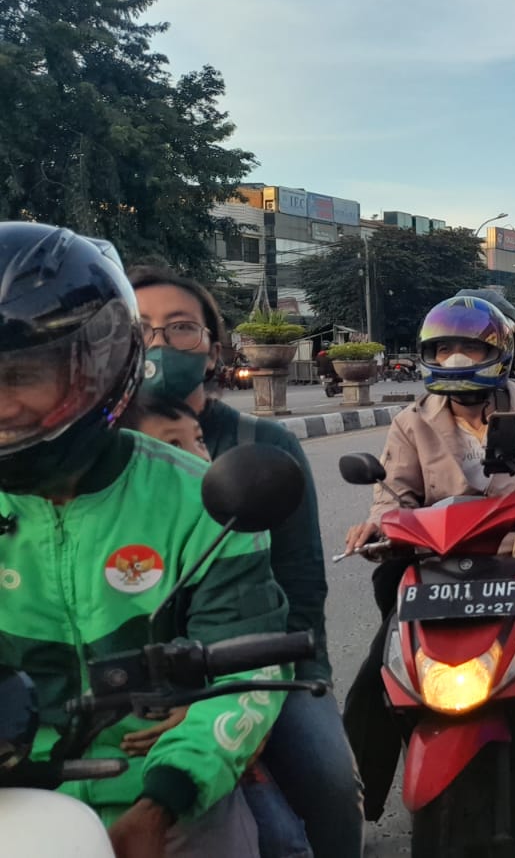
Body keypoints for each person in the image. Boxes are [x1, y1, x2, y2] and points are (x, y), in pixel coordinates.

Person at [0, 222, 290, 857]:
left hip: (170, 794)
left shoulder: (204, 498)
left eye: (19, 375)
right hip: (15, 801)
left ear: (95, 367)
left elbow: (250, 658)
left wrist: (167, 796)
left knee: (311, 798)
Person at [126, 265, 363, 858]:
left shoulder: (263, 447)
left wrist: (305, 675)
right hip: (131, 678)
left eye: (180, 328)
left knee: (331, 785)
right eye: (140, 328)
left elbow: (301, 580)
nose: (158, 343)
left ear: (212, 348)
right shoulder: (94, 450)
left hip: (260, 663)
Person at [340, 295, 515, 795]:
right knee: (378, 655)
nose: (456, 361)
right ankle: (361, 785)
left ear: (499, 352)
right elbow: (393, 494)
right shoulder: (412, 422)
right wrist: (377, 526)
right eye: (444, 349)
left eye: (469, 348)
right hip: (438, 559)